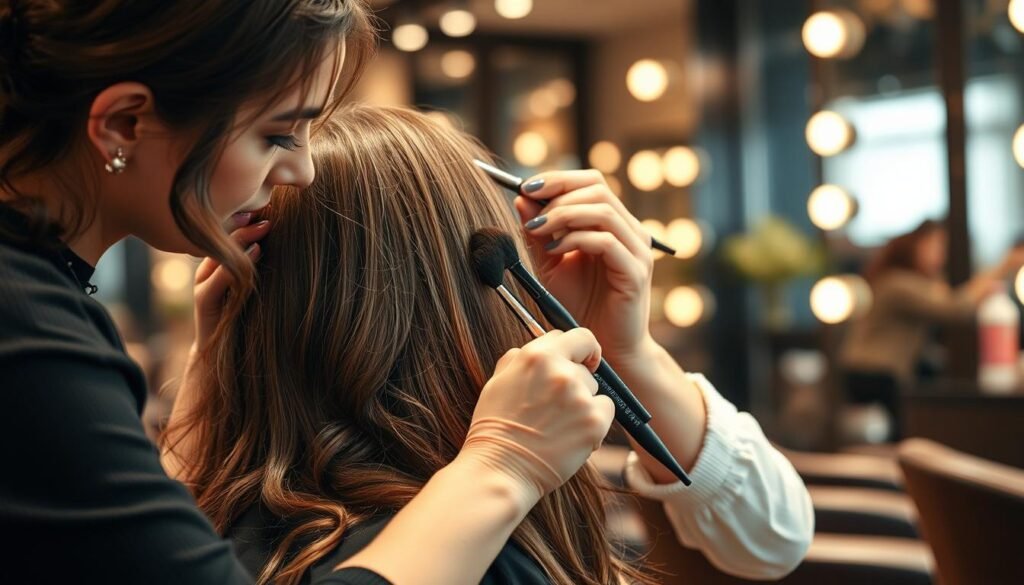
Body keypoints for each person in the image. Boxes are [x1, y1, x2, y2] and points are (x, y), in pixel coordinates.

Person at [0, 2, 614, 583]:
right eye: (276, 135)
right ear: (124, 124)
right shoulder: (26, 334)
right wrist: (502, 465)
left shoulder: (48, 302)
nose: (302, 170)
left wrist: (207, 379)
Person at [164, 105, 814, 584]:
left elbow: (774, 535)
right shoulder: (471, 548)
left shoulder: (217, 530)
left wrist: (630, 350)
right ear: (469, 285)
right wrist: (506, 462)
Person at [840, 219, 1024, 439]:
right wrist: (1003, 267)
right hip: (874, 373)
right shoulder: (898, 283)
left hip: (880, 372)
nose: (940, 256)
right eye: (934, 247)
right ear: (914, 246)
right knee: (907, 432)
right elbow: (955, 307)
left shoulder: (910, 282)